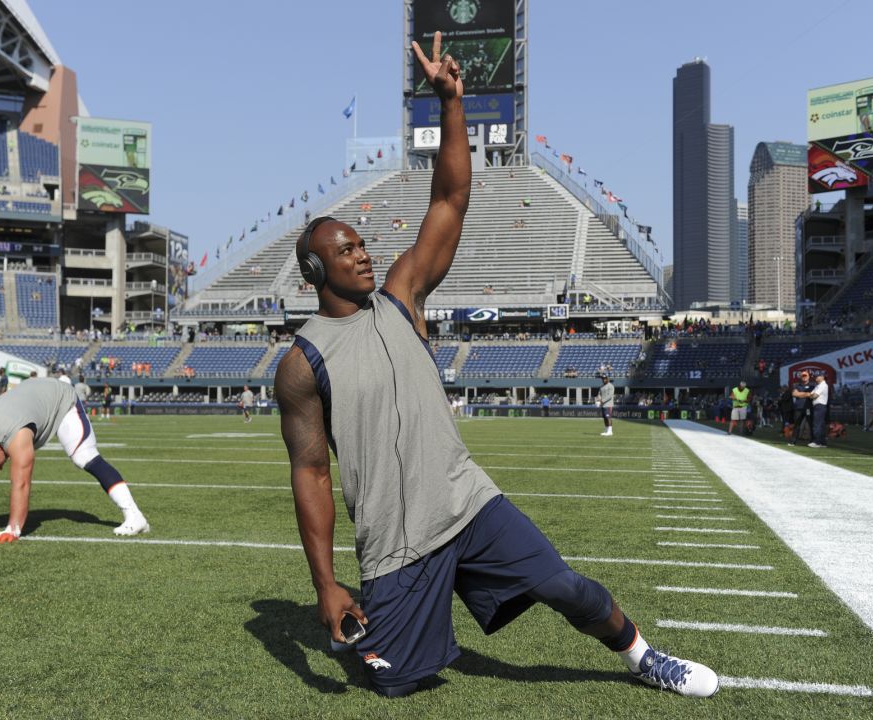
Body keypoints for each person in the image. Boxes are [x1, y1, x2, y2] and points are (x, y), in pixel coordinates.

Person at [273, 33, 717, 701]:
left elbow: (449, 200)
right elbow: (309, 471)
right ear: (314, 270)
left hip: (466, 501)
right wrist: (326, 584)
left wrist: (452, 104)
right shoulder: (301, 363)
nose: (362, 255)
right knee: (391, 684)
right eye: (345, 250)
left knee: (564, 586)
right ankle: (383, 627)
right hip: (396, 540)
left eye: (363, 243)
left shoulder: (401, 297)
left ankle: (645, 656)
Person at [0, 377, 150, 543]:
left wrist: (13, 529)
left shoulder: (17, 438)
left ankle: (135, 516)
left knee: (84, 457)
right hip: (25, 404)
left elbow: (21, 484)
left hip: (60, 399)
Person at [789, 370, 815, 445]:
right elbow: (794, 394)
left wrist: (800, 394)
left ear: (808, 377)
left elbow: (812, 395)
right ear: (801, 377)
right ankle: (793, 441)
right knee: (797, 424)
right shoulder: (797, 385)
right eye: (803, 376)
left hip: (808, 407)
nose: (804, 377)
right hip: (798, 408)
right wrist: (806, 394)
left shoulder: (812, 386)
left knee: (810, 425)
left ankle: (812, 441)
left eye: (805, 376)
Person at [807, 372, 830, 448]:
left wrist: (811, 395)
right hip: (819, 406)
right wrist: (811, 395)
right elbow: (811, 394)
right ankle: (823, 442)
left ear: (822, 377)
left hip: (820, 405)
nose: (815, 378)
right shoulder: (818, 385)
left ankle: (817, 442)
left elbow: (814, 396)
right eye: (815, 376)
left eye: (817, 376)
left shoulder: (823, 385)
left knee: (817, 424)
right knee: (821, 425)